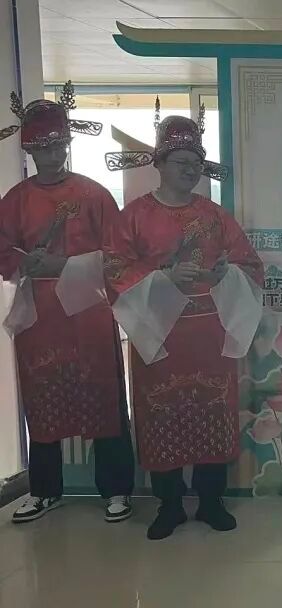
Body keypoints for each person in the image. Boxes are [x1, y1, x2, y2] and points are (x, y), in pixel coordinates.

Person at [103, 114, 264, 540]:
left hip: (209, 332)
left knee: (212, 409)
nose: (190, 169)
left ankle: (211, 501)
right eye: (180, 161)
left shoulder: (215, 215)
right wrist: (163, 278)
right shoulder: (134, 216)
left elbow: (249, 264)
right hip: (158, 335)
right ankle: (169, 504)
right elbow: (114, 268)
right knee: (162, 413)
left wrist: (228, 272)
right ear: (159, 163)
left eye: (196, 162)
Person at [0, 85, 136, 524]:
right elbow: (3, 250)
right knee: (42, 397)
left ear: (67, 144)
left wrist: (64, 264)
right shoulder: (15, 200)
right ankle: (44, 490)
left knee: (103, 395)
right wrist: (23, 262)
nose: (51, 154)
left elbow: (118, 254)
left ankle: (116, 488)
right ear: (28, 150)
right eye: (42, 147)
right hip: (39, 312)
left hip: (88, 309)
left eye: (57, 145)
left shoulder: (94, 194)